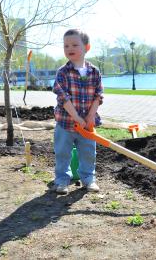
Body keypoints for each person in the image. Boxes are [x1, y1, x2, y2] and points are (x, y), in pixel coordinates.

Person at [52, 29, 104, 194]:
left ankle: (88, 179)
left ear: (86, 47)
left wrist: (89, 117)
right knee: (62, 153)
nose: (69, 48)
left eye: (75, 44)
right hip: (66, 123)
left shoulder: (94, 72)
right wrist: (76, 118)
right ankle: (61, 181)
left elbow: (98, 95)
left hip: (87, 125)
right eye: (66, 45)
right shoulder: (63, 72)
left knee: (88, 153)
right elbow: (63, 98)